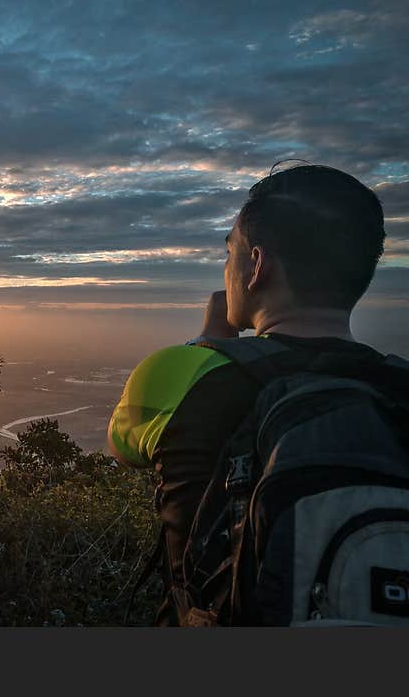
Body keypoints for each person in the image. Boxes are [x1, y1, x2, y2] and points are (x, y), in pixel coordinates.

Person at [107, 162, 388, 625]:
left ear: (256, 265)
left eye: (230, 253)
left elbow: (121, 450)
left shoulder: (182, 372)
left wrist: (207, 344)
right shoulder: (397, 389)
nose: (226, 268)